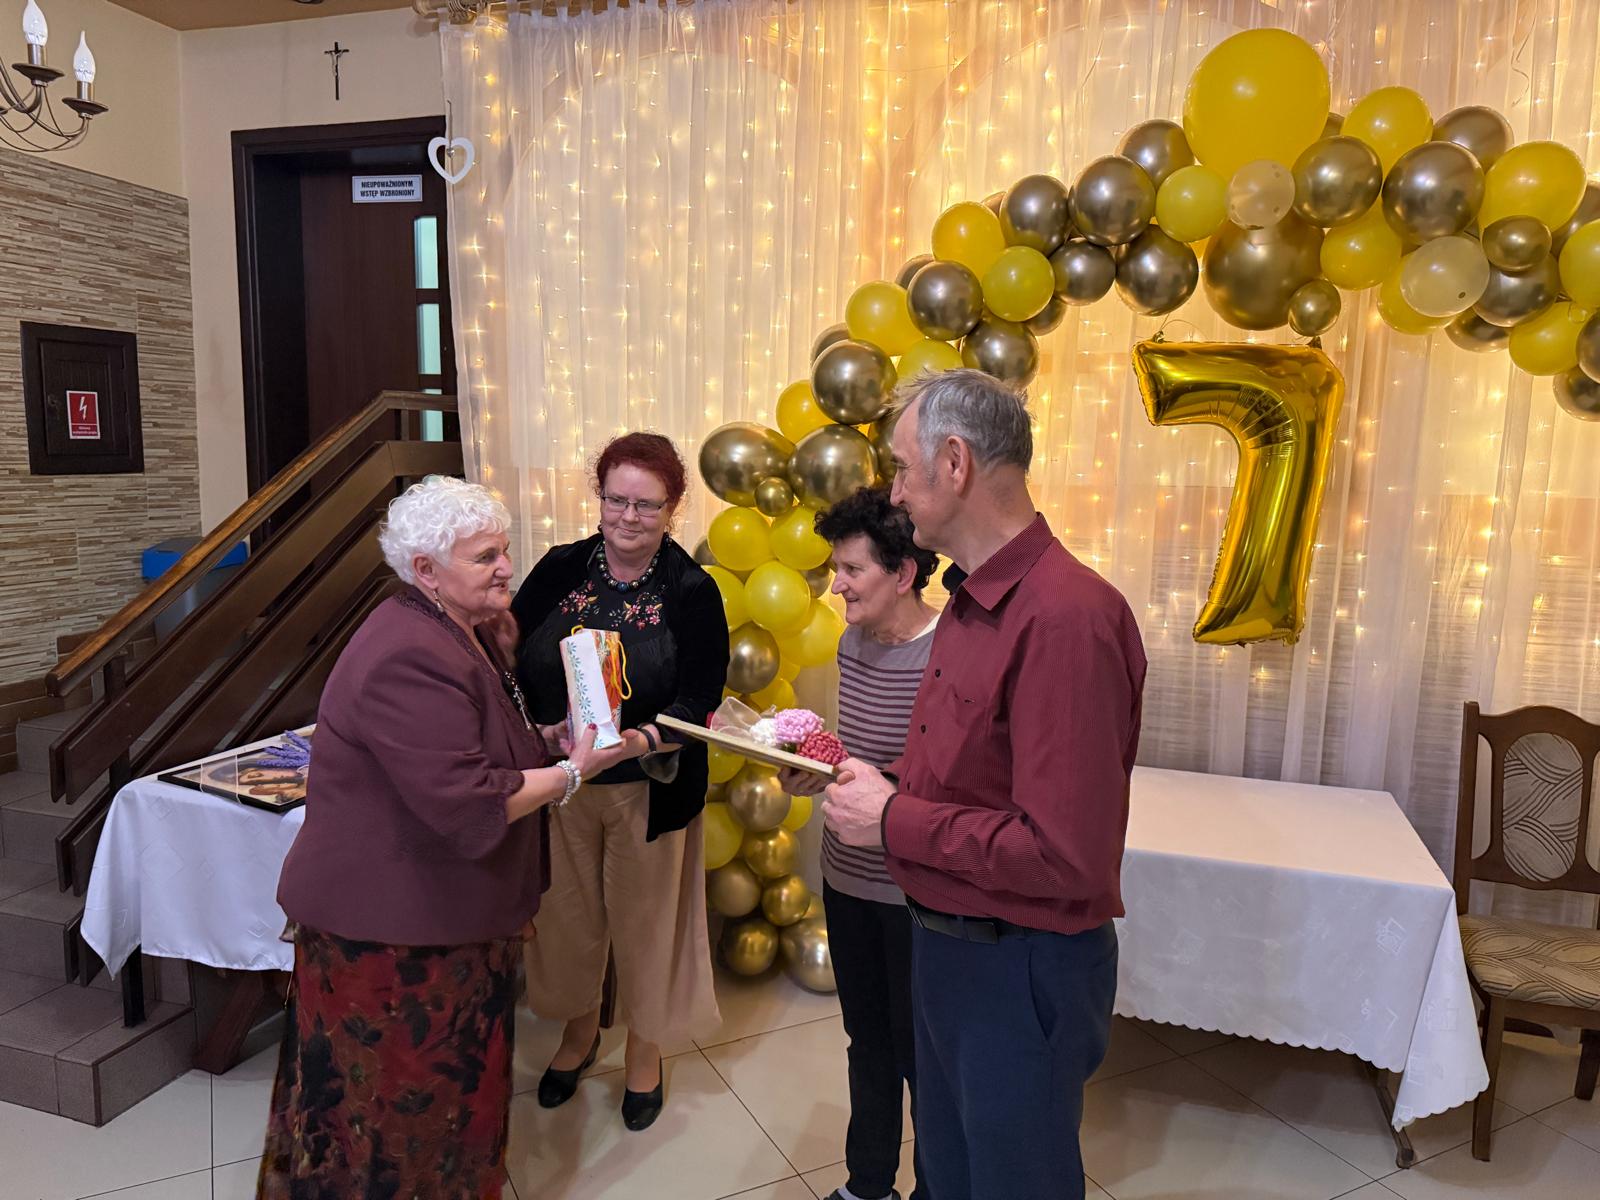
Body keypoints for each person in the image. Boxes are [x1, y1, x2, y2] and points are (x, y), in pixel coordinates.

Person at [822, 370, 1147, 1200]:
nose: (895, 492)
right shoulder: (970, 604)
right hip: (948, 948)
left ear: (955, 463)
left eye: (903, 469)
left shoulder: (1066, 616)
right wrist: (878, 784)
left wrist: (891, 820)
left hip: (1017, 966)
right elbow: (969, 781)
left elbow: (1063, 854)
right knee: (948, 1175)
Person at [263, 476, 633, 1199]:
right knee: (397, 1124)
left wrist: (545, 739)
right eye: (484, 557)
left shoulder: (456, 628)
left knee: (443, 1112)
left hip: (436, 923)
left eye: (504, 550)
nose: (505, 568)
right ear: (425, 570)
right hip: (393, 943)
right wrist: (571, 773)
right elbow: (468, 803)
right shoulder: (408, 653)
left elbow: (473, 744)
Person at [509, 432, 730, 1132]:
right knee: (567, 921)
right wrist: (540, 729)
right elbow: (507, 657)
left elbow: (702, 698)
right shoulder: (560, 567)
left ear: (672, 508)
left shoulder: (691, 591)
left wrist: (637, 741)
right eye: (617, 500)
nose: (629, 517)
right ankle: (579, 1033)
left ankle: (645, 1048)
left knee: (646, 927)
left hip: (651, 786)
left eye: (647, 504)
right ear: (599, 498)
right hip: (563, 784)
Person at [781, 486, 940, 1200]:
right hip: (845, 875)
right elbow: (859, 757)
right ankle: (866, 1183)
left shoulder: (950, 651)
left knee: (924, 1056)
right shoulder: (852, 642)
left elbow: (942, 775)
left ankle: (936, 1186)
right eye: (836, 568)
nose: (837, 585)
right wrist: (812, 768)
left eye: (852, 570)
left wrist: (884, 787)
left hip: (913, 890)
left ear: (903, 573)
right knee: (866, 1042)